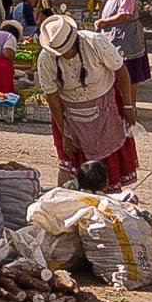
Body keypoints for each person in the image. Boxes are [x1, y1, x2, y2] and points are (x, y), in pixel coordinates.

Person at [36, 15, 139, 190]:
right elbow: (52, 97)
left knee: (108, 162)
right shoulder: (46, 59)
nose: (66, 55)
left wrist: (128, 105)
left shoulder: (95, 42)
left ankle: (109, 201)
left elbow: (121, 70)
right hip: (69, 113)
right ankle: (67, 199)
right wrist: (64, 134)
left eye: (68, 50)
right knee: (70, 162)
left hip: (105, 107)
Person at [94, 0, 150, 95]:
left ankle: (131, 105)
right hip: (114, 41)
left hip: (128, 40)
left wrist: (104, 22)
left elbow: (124, 15)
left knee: (130, 76)